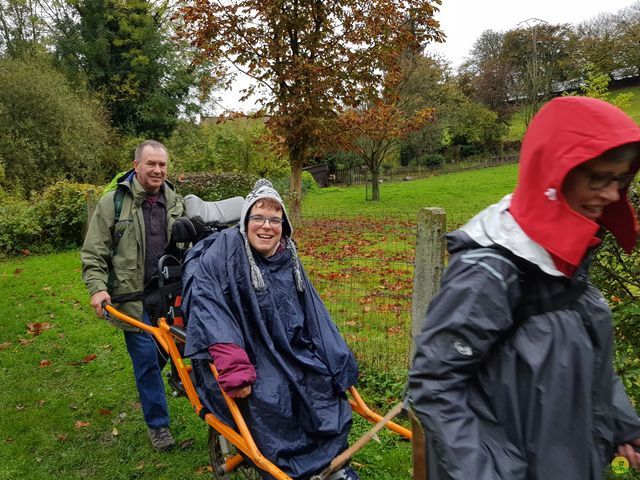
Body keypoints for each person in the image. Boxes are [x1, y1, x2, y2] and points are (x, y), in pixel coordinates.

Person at [408, 96, 640, 480]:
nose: (613, 195)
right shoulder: (490, 271)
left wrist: (621, 423)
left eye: (620, 180)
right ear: (555, 174)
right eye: (599, 178)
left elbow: (590, 362)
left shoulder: (567, 260)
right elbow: (435, 385)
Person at [182, 179, 360, 480]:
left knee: (320, 384)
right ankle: (292, 471)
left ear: (284, 225)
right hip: (246, 352)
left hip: (288, 348)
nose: (267, 227)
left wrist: (338, 359)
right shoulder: (222, 254)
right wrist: (234, 364)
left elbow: (314, 313)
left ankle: (334, 466)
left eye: (275, 220)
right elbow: (209, 307)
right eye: (259, 218)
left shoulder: (288, 256)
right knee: (271, 400)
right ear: (246, 221)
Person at [81, 140, 185, 451]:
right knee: (145, 361)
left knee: (168, 352)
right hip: (132, 298)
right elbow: (93, 252)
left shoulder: (175, 201)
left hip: (168, 295)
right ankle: (159, 426)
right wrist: (98, 288)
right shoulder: (113, 203)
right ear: (136, 165)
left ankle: (157, 383)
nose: (157, 170)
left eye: (162, 165)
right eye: (151, 164)